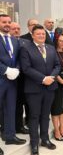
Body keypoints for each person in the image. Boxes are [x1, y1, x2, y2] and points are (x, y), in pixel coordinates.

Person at [20, 24, 61, 155]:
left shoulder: (50, 48)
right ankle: (34, 143)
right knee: (34, 116)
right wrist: (43, 78)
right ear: (32, 35)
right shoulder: (26, 48)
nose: (41, 36)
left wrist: (52, 77)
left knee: (45, 115)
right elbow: (26, 68)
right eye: (38, 34)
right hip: (34, 89)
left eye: (43, 34)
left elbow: (57, 65)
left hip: (50, 88)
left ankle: (45, 139)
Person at [0, 14, 26, 147]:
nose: (7, 24)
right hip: (1, 78)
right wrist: (5, 70)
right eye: (4, 22)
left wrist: (16, 69)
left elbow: (19, 58)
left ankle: (10, 136)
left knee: (10, 108)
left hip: (12, 81)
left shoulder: (15, 41)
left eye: (9, 22)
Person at [9, 22, 30, 134]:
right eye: (14, 28)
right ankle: (13, 127)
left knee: (23, 103)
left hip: (25, 79)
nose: (16, 30)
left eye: (18, 28)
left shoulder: (26, 42)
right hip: (10, 79)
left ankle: (23, 124)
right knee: (13, 105)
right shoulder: (6, 42)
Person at [51, 34, 63, 141]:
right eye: (60, 41)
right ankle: (56, 130)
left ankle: (62, 129)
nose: (62, 43)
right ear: (56, 41)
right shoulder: (52, 52)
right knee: (56, 108)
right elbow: (53, 69)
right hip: (56, 83)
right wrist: (62, 82)